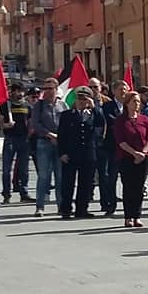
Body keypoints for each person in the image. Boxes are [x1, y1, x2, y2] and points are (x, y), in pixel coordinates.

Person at [57, 86, 100, 219]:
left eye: (85, 99)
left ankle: (82, 209)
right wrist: (62, 153)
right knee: (68, 183)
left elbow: (101, 123)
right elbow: (61, 136)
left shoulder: (93, 114)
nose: (82, 102)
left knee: (86, 183)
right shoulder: (67, 115)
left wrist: (95, 108)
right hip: (71, 154)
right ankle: (66, 209)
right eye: (79, 99)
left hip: (87, 154)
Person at [114, 91, 148, 228]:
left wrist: (143, 153)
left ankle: (137, 215)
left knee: (139, 187)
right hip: (126, 157)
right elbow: (120, 141)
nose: (137, 104)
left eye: (138, 102)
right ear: (127, 104)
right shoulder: (120, 120)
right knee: (129, 187)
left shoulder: (144, 119)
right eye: (134, 102)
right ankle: (128, 216)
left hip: (143, 158)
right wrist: (134, 153)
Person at [31, 78, 67, 217]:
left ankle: (61, 205)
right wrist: (49, 134)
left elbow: (66, 123)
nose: (47, 91)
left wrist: (61, 137)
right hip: (44, 143)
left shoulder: (62, 105)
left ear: (56, 89)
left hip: (60, 144)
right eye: (45, 89)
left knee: (60, 176)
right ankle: (40, 206)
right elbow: (35, 124)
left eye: (50, 88)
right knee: (44, 176)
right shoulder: (39, 106)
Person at [0, 82, 34, 204]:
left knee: (24, 168)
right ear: (12, 92)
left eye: (22, 91)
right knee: (6, 169)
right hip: (10, 139)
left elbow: (31, 122)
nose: (20, 93)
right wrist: (5, 125)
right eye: (17, 91)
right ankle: (6, 194)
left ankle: (24, 193)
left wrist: (30, 132)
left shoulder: (27, 106)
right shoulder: (5, 106)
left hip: (24, 139)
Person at [99, 80, 128, 215]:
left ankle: (129, 205)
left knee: (128, 179)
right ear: (114, 91)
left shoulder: (131, 106)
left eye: (125, 89)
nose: (123, 92)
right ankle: (110, 205)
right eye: (121, 89)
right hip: (112, 147)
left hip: (128, 148)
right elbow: (110, 120)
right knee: (111, 177)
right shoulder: (108, 106)